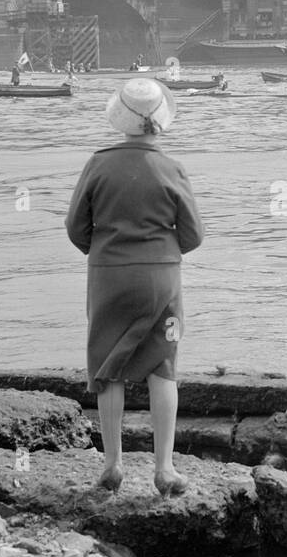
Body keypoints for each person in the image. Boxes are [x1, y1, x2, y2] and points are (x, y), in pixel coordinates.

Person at [65, 79, 204, 497]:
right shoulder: (172, 167)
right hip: (161, 277)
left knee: (108, 368)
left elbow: (76, 228)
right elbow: (193, 234)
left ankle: (112, 464)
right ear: (160, 122)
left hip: (108, 275)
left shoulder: (97, 164)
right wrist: (160, 249)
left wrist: (106, 249)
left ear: (119, 120)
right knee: (163, 367)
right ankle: (164, 468)